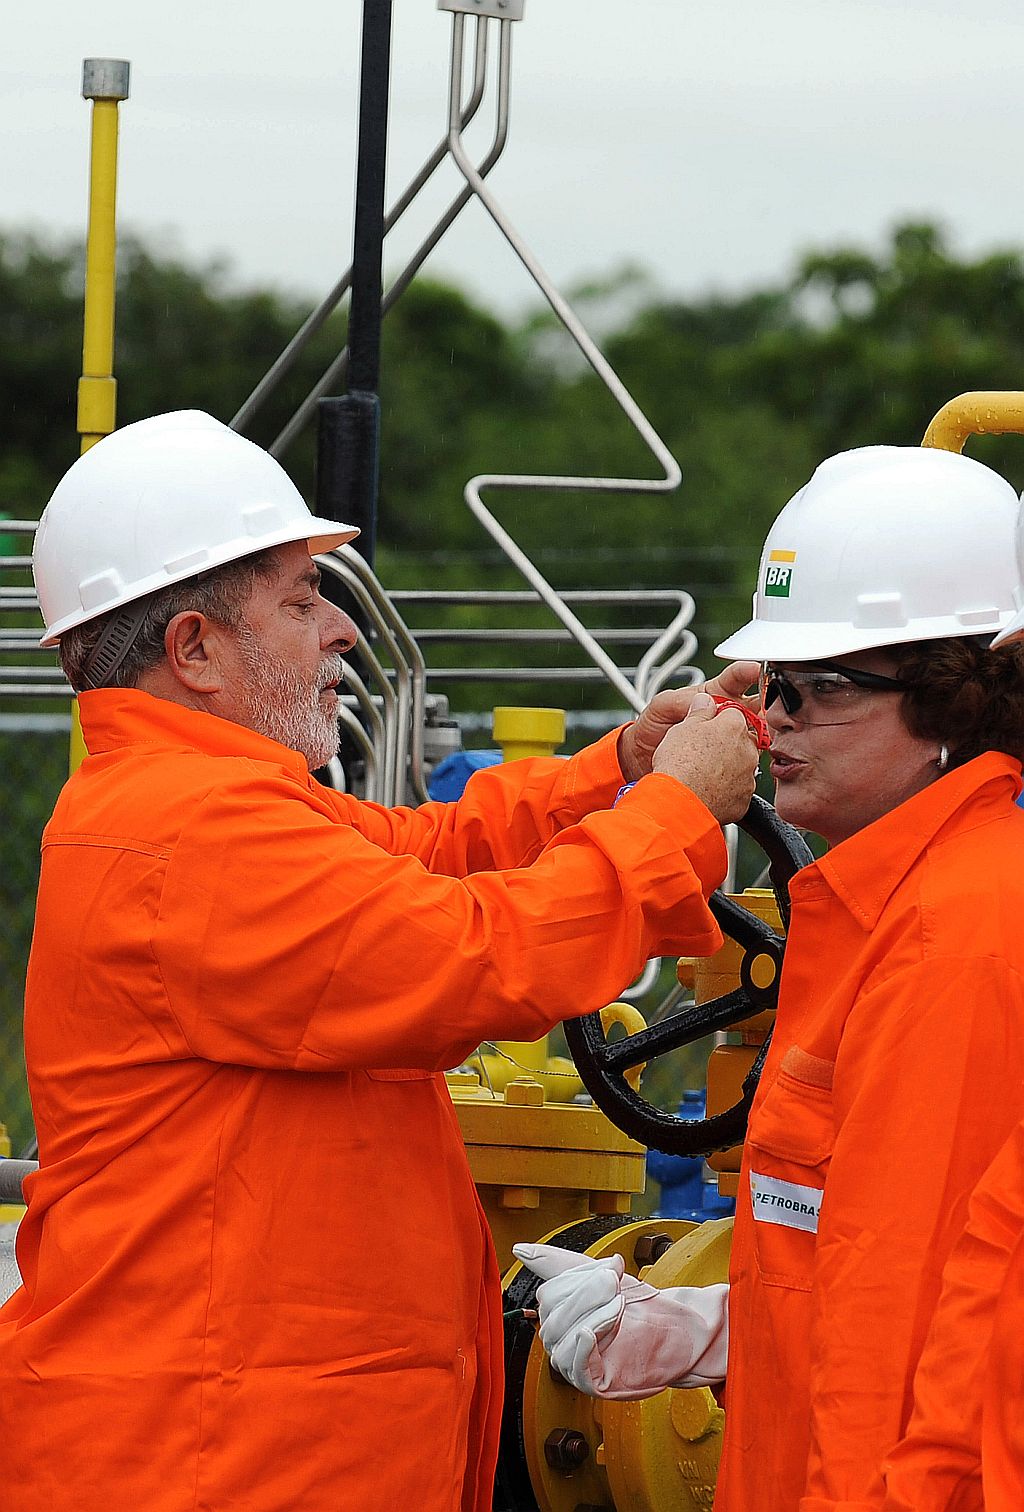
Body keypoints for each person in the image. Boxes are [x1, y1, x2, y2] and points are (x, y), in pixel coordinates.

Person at [0, 410, 762, 1512]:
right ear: (195, 650)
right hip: (217, 1453)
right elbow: (479, 957)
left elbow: (425, 854)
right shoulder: (196, 834)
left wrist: (621, 770)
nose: (343, 631)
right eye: (301, 600)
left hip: (233, 1436)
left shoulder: (192, 806)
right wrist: (677, 809)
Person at [516, 443, 1024, 1512]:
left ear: (956, 697)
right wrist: (709, 1324)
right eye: (773, 685)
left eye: (823, 685)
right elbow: (881, 1272)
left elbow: (895, 1351)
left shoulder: (960, 934)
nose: (774, 717)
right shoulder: (879, 907)